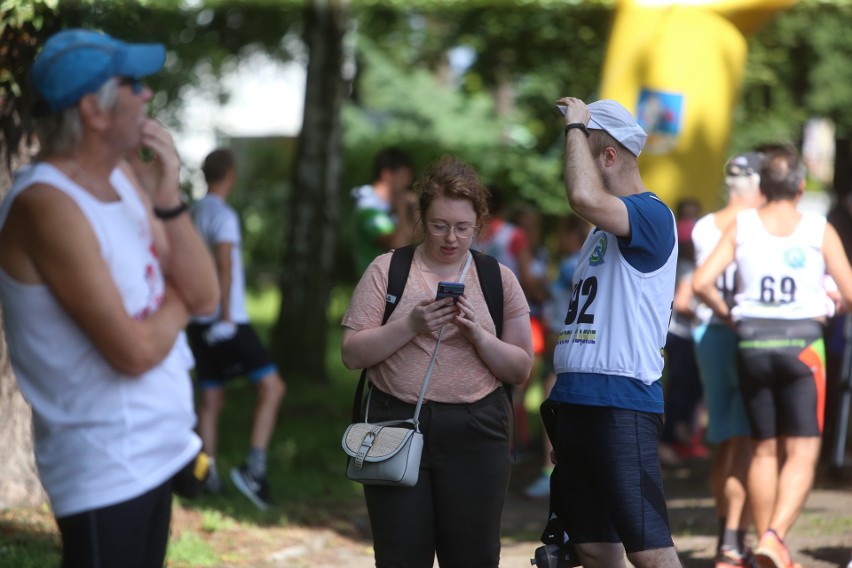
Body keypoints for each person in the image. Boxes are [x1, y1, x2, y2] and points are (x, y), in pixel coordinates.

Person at [0, 29, 219, 567]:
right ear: (93, 112)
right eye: (134, 84)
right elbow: (134, 350)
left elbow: (207, 295)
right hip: (106, 468)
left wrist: (167, 191)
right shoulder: (46, 203)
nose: (147, 95)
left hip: (159, 450)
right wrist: (178, 301)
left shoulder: (121, 176)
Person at [341, 155, 534, 567]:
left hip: (478, 430)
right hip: (395, 424)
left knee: (473, 556)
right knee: (400, 556)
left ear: (478, 224)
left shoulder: (498, 279)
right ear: (421, 219)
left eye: (463, 228)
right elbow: (351, 353)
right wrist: (410, 323)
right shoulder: (387, 270)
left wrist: (478, 334)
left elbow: (520, 368)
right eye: (439, 225)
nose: (451, 237)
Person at [694, 145, 852, 568]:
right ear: (801, 186)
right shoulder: (817, 228)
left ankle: (769, 547)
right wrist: (831, 305)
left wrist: (735, 316)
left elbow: (702, 283)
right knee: (802, 451)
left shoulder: (742, 226)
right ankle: (774, 537)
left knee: (763, 449)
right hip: (802, 345)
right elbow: (850, 292)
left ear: (763, 186)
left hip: (751, 343)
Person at [548, 97, 681, 568]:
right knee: (594, 550)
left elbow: (583, 197)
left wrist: (575, 128)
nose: (572, 162)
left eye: (584, 150)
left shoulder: (650, 213)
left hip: (621, 403)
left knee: (651, 553)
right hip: (578, 402)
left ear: (608, 156)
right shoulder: (600, 232)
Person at [186, 148, 286, 510]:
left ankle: (205, 475)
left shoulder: (193, 212)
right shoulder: (223, 215)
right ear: (230, 173)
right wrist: (227, 316)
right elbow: (225, 264)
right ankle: (253, 472)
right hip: (227, 321)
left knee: (211, 400)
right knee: (273, 387)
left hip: (197, 321)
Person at [691, 151, 765, 567]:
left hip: (709, 336)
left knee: (725, 441)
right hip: (740, 334)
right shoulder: (752, 226)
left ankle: (728, 537)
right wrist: (733, 316)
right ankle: (733, 544)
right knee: (747, 443)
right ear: (755, 185)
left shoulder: (705, 225)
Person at [525, 213, 589, 499]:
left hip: (562, 343)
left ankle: (549, 471)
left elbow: (546, 294)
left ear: (575, 236)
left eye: (563, 233)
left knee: (552, 405)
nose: (559, 240)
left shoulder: (569, 265)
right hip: (573, 343)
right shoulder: (586, 263)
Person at [351, 147, 415, 274]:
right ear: (387, 174)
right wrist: (402, 208)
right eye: (403, 176)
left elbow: (416, 238)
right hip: (374, 285)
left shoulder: (387, 206)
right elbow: (398, 246)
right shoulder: (368, 208)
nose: (407, 182)